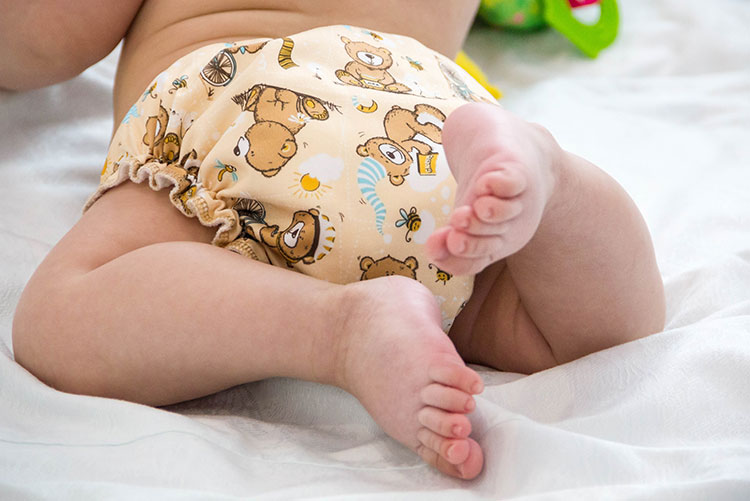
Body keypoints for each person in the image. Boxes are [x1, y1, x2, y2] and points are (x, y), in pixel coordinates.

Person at [4, 0, 665, 480]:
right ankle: (548, 171)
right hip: (427, 112)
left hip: (244, 94)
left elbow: (45, 40)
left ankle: (338, 330)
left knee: (62, 313)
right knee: (595, 334)